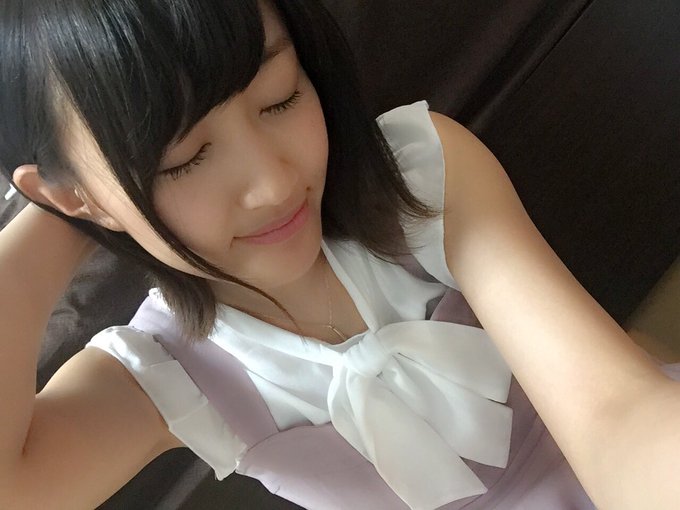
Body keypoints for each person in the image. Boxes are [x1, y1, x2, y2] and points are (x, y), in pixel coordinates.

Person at [0, 1, 677, 509]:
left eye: (280, 97)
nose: (273, 184)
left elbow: (614, 413)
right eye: (184, 158)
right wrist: (79, 210)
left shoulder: (417, 178)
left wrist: (120, 184)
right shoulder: (161, 375)